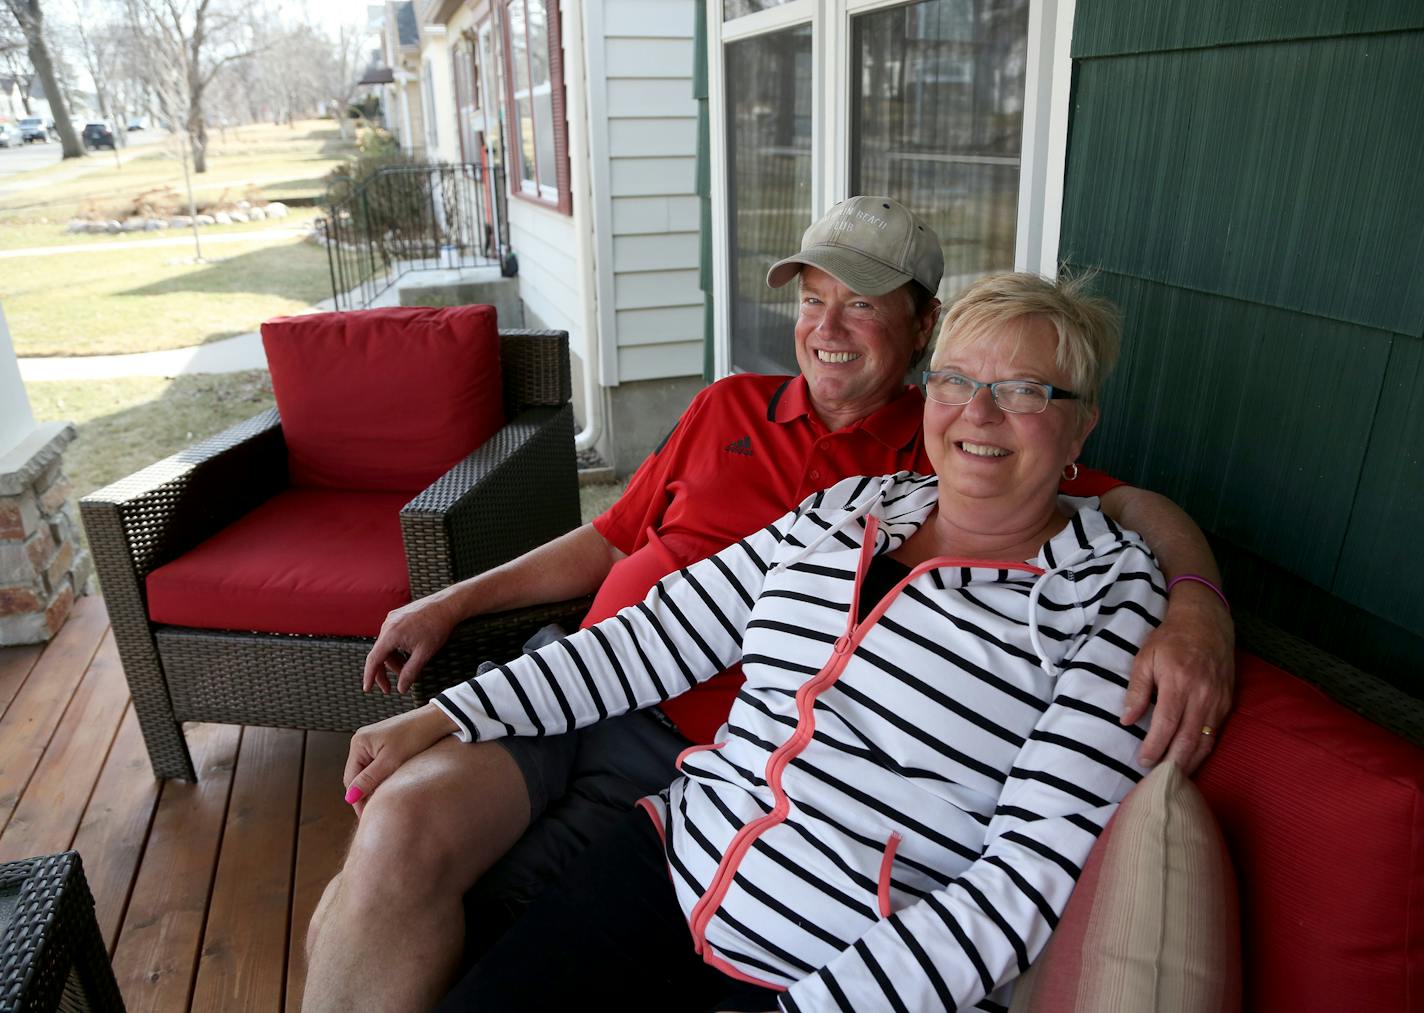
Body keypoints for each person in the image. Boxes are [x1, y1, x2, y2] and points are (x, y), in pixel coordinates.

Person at [302, 198, 1234, 1012]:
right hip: (669, 830)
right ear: (935, 384)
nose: (980, 412)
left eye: (1022, 391)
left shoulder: (1089, 582)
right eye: (961, 382)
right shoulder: (842, 499)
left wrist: (1196, 601)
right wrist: (452, 702)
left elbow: (1023, 881)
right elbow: (651, 625)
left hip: (817, 935)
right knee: (389, 858)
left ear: (1077, 422)